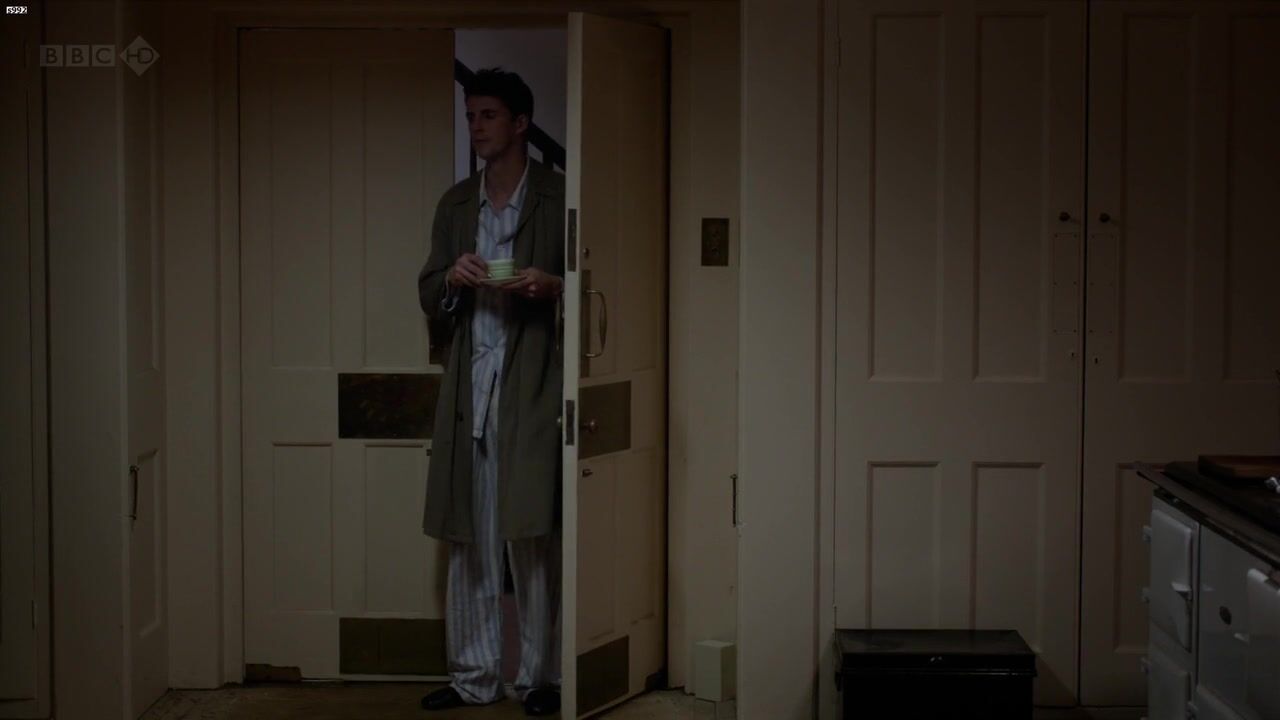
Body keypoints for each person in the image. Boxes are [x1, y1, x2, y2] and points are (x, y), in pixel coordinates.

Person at [416, 69, 564, 717]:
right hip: (470, 389)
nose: (476, 127)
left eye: (489, 115)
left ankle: (540, 678)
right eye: (471, 116)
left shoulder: (559, 197)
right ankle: (473, 676)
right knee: (470, 535)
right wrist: (452, 277)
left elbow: (596, 281)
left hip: (532, 387)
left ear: (521, 123)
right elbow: (428, 292)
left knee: (531, 536)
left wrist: (553, 286)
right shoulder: (456, 204)